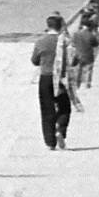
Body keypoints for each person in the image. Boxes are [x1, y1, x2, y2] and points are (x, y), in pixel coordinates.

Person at [29, 13, 70, 150]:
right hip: (60, 78)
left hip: (45, 77)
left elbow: (34, 61)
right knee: (65, 107)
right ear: (60, 26)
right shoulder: (63, 42)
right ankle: (60, 129)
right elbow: (71, 59)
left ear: (48, 26)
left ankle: (50, 142)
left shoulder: (41, 41)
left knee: (47, 110)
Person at [67, 14, 99, 106]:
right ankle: (87, 85)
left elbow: (72, 44)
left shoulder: (76, 34)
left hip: (78, 55)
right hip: (88, 56)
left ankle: (77, 85)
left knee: (78, 71)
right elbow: (95, 44)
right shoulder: (90, 35)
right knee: (88, 71)